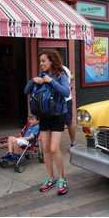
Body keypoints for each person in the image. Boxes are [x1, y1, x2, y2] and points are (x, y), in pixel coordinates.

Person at [24, 49, 70, 195]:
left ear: (51, 61)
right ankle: (50, 178)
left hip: (57, 115)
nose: (41, 64)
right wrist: (33, 81)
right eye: (40, 61)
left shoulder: (60, 75)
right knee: (45, 150)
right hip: (44, 116)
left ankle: (62, 178)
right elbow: (26, 91)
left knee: (54, 148)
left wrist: (52, 82)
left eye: (44, 61)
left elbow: (66, 92)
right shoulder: (40, 77)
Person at [62, 65, 76, 147]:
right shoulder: (66, 69)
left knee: (68, 122)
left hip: (65, 100)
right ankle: (73, 142)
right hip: (64, 100)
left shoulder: (63, 69)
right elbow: (71, 79)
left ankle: (73, 142)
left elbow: (69, 81)